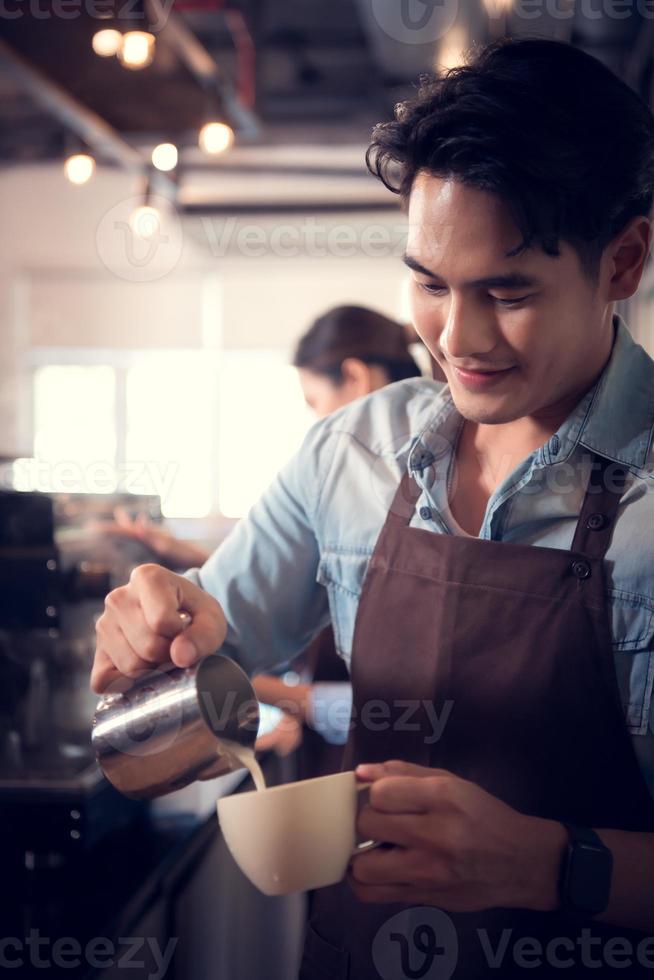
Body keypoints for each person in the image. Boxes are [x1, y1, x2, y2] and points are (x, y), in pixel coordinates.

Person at [91, 37, 654, 979]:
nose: (456, 340)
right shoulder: (350, 453)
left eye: (507, 292)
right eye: (430, 283)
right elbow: (207, 670)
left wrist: (554, 864)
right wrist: (154, 642)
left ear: (625, 261)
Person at [100, 305, 423, 762]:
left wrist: (259, 689)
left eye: (314, 401)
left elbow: (381, 708)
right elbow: (273, 583)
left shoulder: (348, 467)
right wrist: (184, 567)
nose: (317, 423)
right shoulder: (329, 480)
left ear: (354, 379)